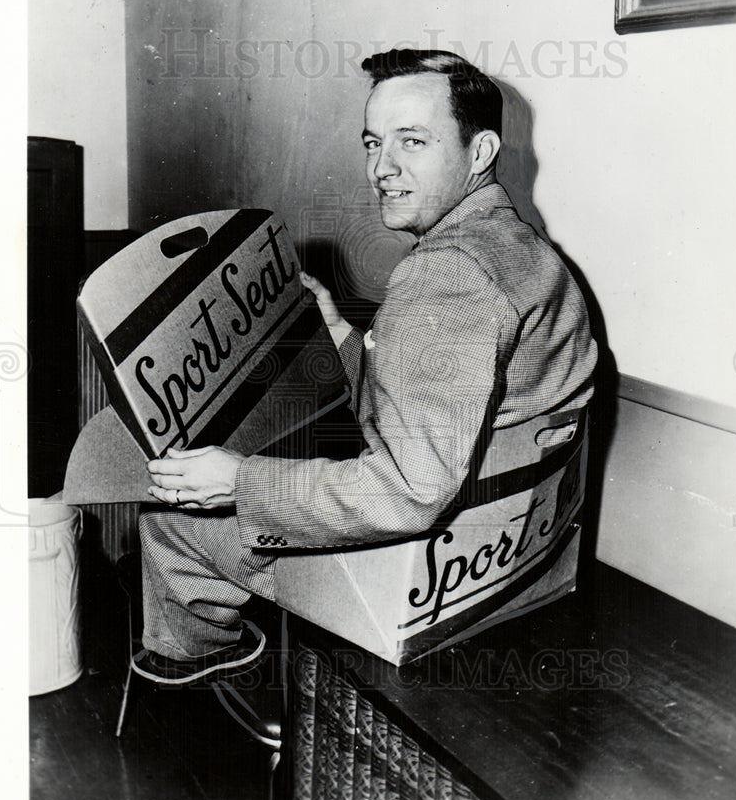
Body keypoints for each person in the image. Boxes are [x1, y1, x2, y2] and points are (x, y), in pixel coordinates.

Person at [132, 48, 598, 684]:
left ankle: (208, 667)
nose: (383, 168)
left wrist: (239, 482)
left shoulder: (446, 272)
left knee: (169, 517)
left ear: (480, 151)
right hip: (517, 550)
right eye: (373, 143)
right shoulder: (521, 244)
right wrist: (345, 338)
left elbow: (408, 495)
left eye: (413, 141)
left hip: (423, 575)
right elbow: (447, 391)